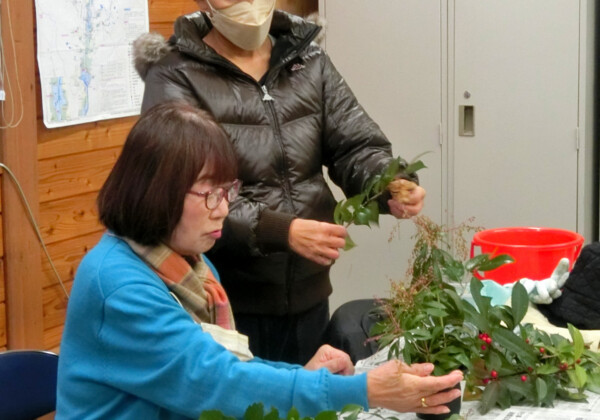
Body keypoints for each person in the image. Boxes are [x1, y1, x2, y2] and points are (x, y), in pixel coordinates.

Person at [56, 102, 460, 419]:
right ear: (157, 192)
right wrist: (363, 390)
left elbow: (227, 366)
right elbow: (221, 384)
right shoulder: (121, 289)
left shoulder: (188, 264)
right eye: (209, 193)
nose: (223, 208)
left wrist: (302, 378)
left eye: (227, 190)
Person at [133, 0, 427, 364]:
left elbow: (355, 145)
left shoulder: (308, 60)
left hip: (308, 294)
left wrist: (389, 183)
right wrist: (280, 230)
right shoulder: (176, 73)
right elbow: (187, 189)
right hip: (226, 299)